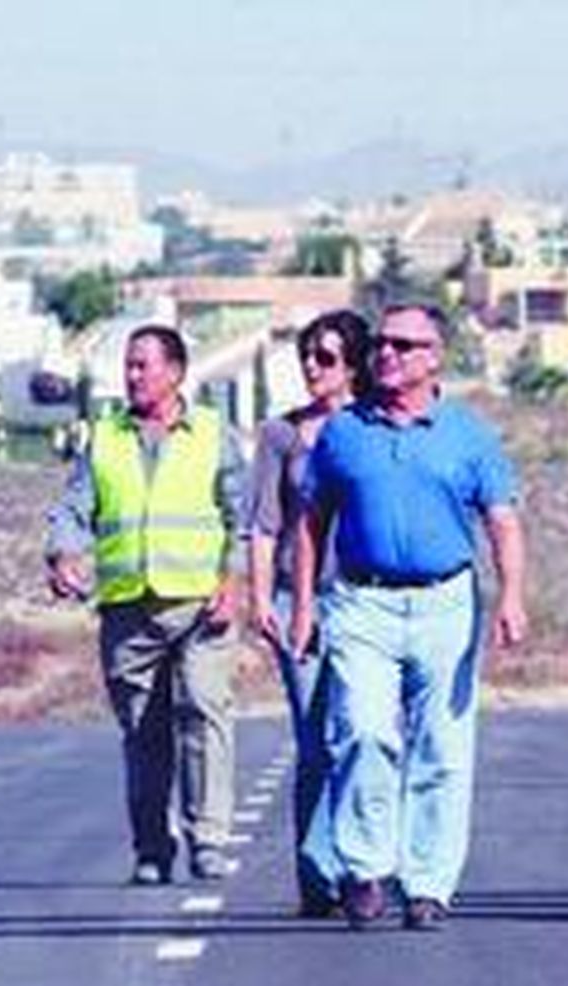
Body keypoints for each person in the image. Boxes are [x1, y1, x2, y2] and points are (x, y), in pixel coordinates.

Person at [290, 302, 527, 932]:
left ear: (434, 357)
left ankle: (427, 884)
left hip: (445, 601)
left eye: (403, 344)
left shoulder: (467, 433)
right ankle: (364, 869)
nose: (386, 354)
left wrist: (512, 596)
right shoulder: (345, 432)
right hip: (362, 601)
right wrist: (306, 602)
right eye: (381, 344)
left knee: (441, 747)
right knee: (363, 731)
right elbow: (311, 521)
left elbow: (501, 519)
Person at [46, 324, 246, 886]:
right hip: (128, 609)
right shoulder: (105, 437)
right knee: (144, 732)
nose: (132, 376)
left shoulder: (212, 434)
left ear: (177, 372)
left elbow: (242, 518)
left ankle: (208, 840)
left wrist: (232, 582)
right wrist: (63, 554)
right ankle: (153, 848)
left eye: (143, 365)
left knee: (205, 715)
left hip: (199, 605)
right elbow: (72, 509)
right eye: (129, 365)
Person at [247, 309, 370, 917]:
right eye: (307, 356)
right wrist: (261, 596)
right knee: (315, 736)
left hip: (368, 598)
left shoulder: (372, 430)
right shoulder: (280, 436)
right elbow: (266, 525)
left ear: (353, 364)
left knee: (365, 733)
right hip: (302, 601)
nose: (312, 368)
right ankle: (317, 873)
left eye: (325, 357)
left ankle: (365, 865)